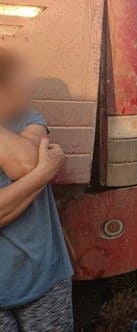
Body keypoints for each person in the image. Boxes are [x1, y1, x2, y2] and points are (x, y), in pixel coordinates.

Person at [0, 49, 73, 331]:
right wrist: (46, 172)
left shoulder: (28, 117)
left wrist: (37, 170)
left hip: (44, 276)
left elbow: (25, 162)